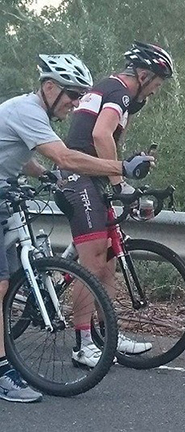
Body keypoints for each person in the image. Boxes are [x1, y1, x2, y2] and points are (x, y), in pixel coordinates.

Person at [0, 53, 154, 403]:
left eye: (80, 96)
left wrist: (46, 174)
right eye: (72, 95)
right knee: (1, 284)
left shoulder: (33, 114)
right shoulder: (28, 110)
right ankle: (3, 372)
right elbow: (67, 156)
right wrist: (121, 168)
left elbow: (20, 155)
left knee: (6, 281)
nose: (76, 103)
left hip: (4, 193)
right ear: (49, 87)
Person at [54, 41, 174, 368]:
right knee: (92, 265)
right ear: (144, 75)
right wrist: (120, 183)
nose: (154, 94)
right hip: (78, 178)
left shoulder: (110, 88)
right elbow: (100, 136)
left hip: (90, 177)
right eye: (156, 86)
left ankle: (107, 335)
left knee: (107, 262)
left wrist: (128, 167)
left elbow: (109, 142)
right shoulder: (120, 91)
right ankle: (82, 344)